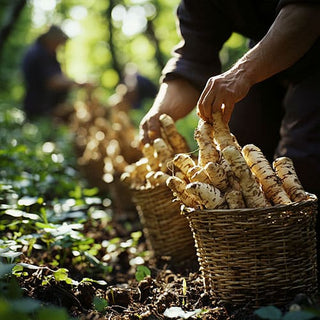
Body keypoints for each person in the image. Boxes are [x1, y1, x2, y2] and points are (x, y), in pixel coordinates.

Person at [139, 1, 320, 198]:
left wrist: (242, 73)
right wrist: (160, 112)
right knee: (240, 145)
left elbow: (307, 11)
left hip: (311, 47)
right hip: (264, 56)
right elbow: (193, 58)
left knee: (304, 163)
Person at [21, 25, 90, 120]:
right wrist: (78, 83)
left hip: (48, 107)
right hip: (39, 109)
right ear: (51, 39)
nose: (60, 45)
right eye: (58, 42)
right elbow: (52, 82)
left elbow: (59, 76)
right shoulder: (39, 54)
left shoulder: (49, 54)